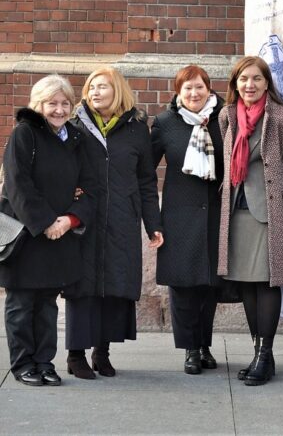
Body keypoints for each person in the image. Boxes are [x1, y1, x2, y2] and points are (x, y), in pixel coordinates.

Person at [217, 56, 283, 387]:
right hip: (237, 211)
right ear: (235, 84)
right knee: (246, 282)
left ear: (267, 83)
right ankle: (261, 353)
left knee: (267, 282)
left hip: (271, 212)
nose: (250, 85)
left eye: (256, 79)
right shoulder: (227, 117)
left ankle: (264, 354)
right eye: (243, 79)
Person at [64, 67, 164, 379]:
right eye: (91, 87)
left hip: (122, 216)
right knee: (83, 286)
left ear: (117, 90)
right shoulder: (74, 125)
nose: (94, 92)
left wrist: (153, 223)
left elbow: (146, 180)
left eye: (102, 87)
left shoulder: (135, 129)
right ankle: (75, 355)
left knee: (114, 285)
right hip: (86, 218)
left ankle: (102, 352)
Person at [0, 75, 95, 387]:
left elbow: (91, 188)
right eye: (51, 103)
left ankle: (44, 362)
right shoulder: (25, 133)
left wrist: (69, 220)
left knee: (47, 307)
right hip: (26, 237)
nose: (58, 109)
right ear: (37, 104)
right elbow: (18, 185)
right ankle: (23, 364)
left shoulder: (75, 139)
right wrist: (45, 223)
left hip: (61, 236)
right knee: (21, 306)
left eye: (65, 103)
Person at [151, 65, 224, 375]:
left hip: (217, 212)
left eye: (199, 87)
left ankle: (204, 344)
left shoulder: (225, 119)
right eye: (187, 88)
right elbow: (145, 171)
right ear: (178, 93)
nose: (194, 94)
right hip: (179, 215)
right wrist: (151, 218)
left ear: (209, 88)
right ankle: (190, 349)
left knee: (210, 284)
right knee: (183, 285)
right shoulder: (166, 123)